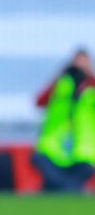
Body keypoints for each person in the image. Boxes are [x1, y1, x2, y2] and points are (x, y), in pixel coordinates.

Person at [32, 49, 95, 192]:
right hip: (53, 149)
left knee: (68, 185)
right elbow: (40, 102)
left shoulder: (92, 86)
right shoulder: (61, 84)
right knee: (55, 180)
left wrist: (89, 76)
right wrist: (60, 76)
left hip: (82, 152)